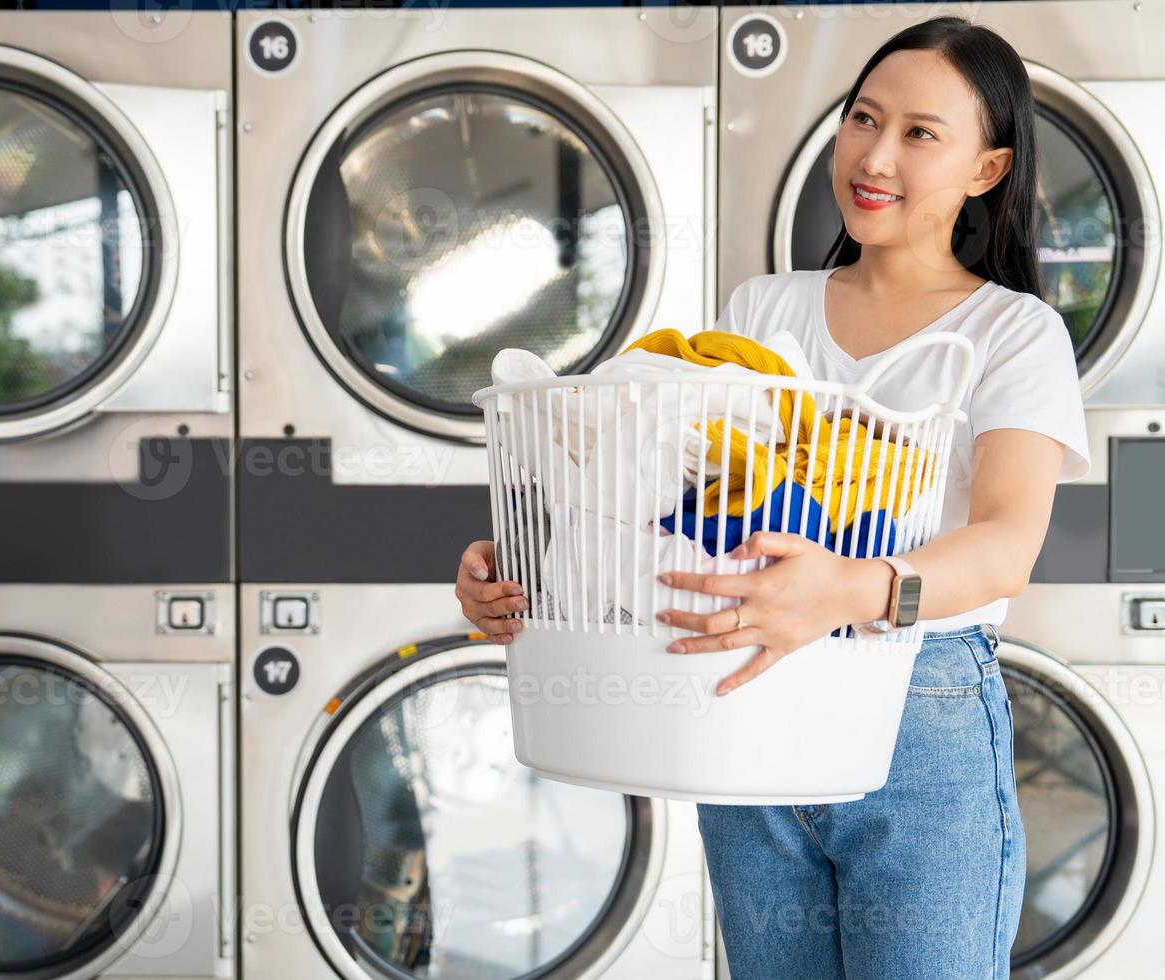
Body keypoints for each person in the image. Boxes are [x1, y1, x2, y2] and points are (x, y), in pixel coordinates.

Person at [455, 15, 1093, 979]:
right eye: (863, 119)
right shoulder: (766, 310)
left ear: (987, 169)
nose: (875, 156)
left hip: (920, 711)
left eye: (921, 133)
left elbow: (1007, 546)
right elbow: (678, 504)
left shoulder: (1014, 332)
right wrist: (532, 572)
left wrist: (851, 591)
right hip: (745, 705)